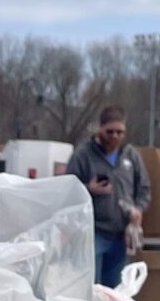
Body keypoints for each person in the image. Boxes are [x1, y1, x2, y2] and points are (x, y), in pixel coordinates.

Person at [65, 105, 151, 288]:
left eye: (119, 132)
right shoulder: (83, 154)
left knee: (115, 291)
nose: (114, 137)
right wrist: (89, 188)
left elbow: (144, 189)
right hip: (93, 232)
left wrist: (139, 208)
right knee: (91, 287)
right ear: (99, 128)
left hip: (121, 234)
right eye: (110, 131)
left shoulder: (131, 156)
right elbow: (68, 189)